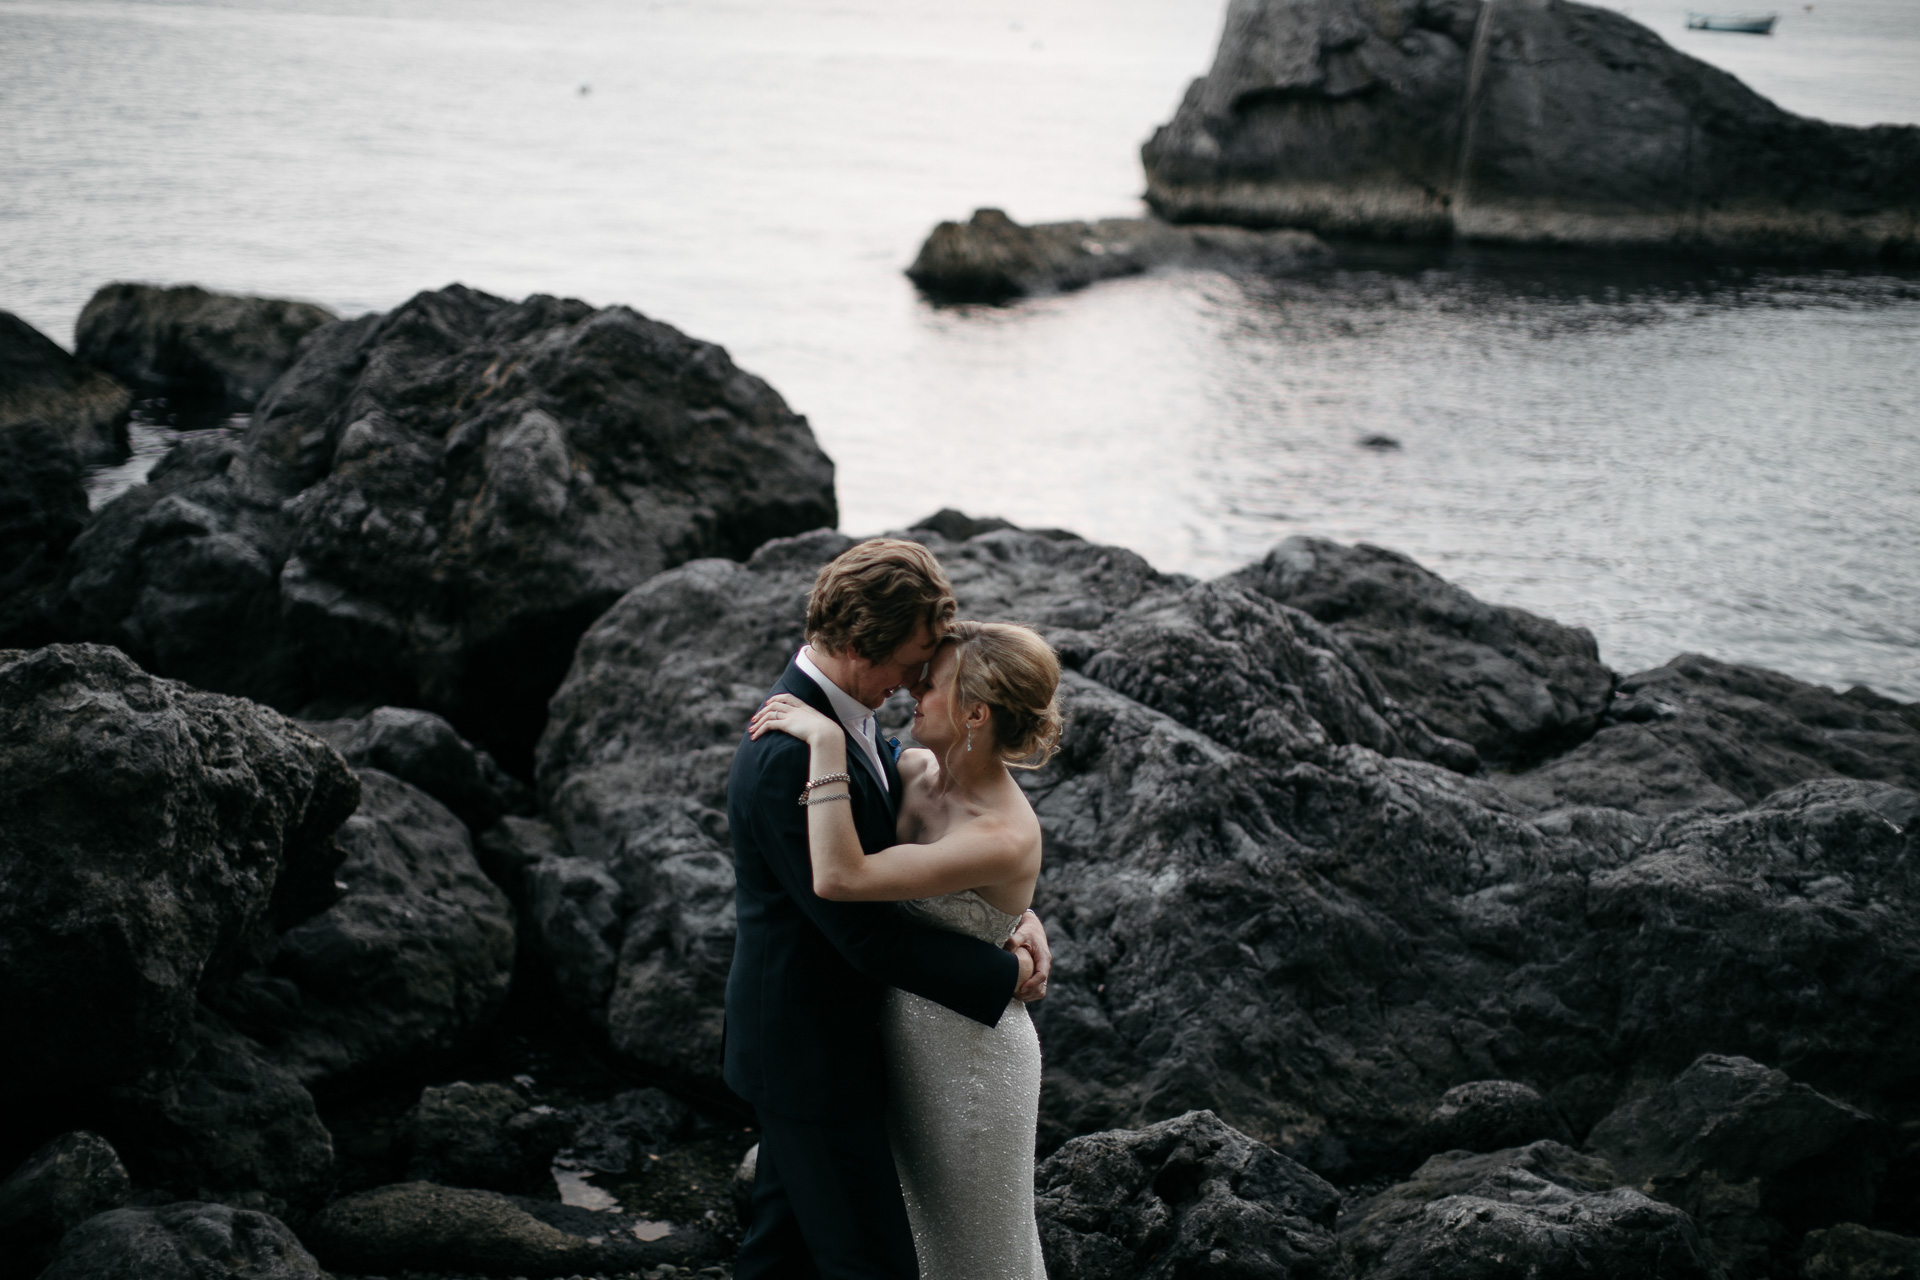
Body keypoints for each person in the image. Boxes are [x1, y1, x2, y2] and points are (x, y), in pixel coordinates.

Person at [724, 539, 1053, 1280]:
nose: (913, 683)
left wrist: (1010, 915)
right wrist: (998, 968)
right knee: (866, 1263)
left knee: (781, 1254)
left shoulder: (859, 725)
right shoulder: (791, 753)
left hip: (841, 1048)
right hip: (809, 1053)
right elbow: (862, 935)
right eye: (911, 662)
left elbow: (948, 856)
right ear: (853, 645)